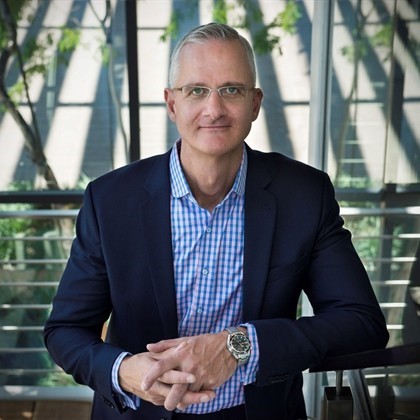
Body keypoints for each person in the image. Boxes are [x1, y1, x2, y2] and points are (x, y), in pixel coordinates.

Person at [44, 22, 389, 420]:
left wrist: (240, 345)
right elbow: (65, 331)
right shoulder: (110, 201)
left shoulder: (305, 195)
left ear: (255, 104)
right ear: (172, 104)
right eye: (196, 90)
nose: (214, 109)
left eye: (231, 90)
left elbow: (362, 323)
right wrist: (123, 371)